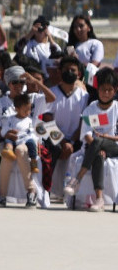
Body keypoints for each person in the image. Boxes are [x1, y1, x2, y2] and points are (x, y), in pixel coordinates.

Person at [64, 68, 118, 212]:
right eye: (102, 89)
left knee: (98, 143)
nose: (106, 93)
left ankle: (77, 178)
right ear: (97, 89)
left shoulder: (117, 109)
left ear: (115, 90)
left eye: (109, 90)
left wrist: (104, 139)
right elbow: (86, 135)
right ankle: (99, 199)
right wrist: (97, 144)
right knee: (99, 154)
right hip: (94, 147)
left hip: (115, 147)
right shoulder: (91, 109)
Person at [43, 56, 89, 200]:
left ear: (79, 74)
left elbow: (84, 122)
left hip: (76, 141)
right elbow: (47, 121)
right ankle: (46, 190)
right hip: (55, 140)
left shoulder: (84, 96)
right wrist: (63, 143)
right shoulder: (52, 93)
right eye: (66, 69)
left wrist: (71, 143)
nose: (69, 72)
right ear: (60, 71)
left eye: (73, 70)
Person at [0, 93, 40, 208]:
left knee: (20, 151)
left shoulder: (30, 120)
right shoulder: (9, 118)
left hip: (24, 143)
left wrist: (29, 140)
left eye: (29, 109)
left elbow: (34, 134)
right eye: (25, 109)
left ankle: (31, 191)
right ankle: (2, 195)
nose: (27, 112)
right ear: (17, 109)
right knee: (7, 155)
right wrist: (8, 133)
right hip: (12, 140)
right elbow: (4, 130)